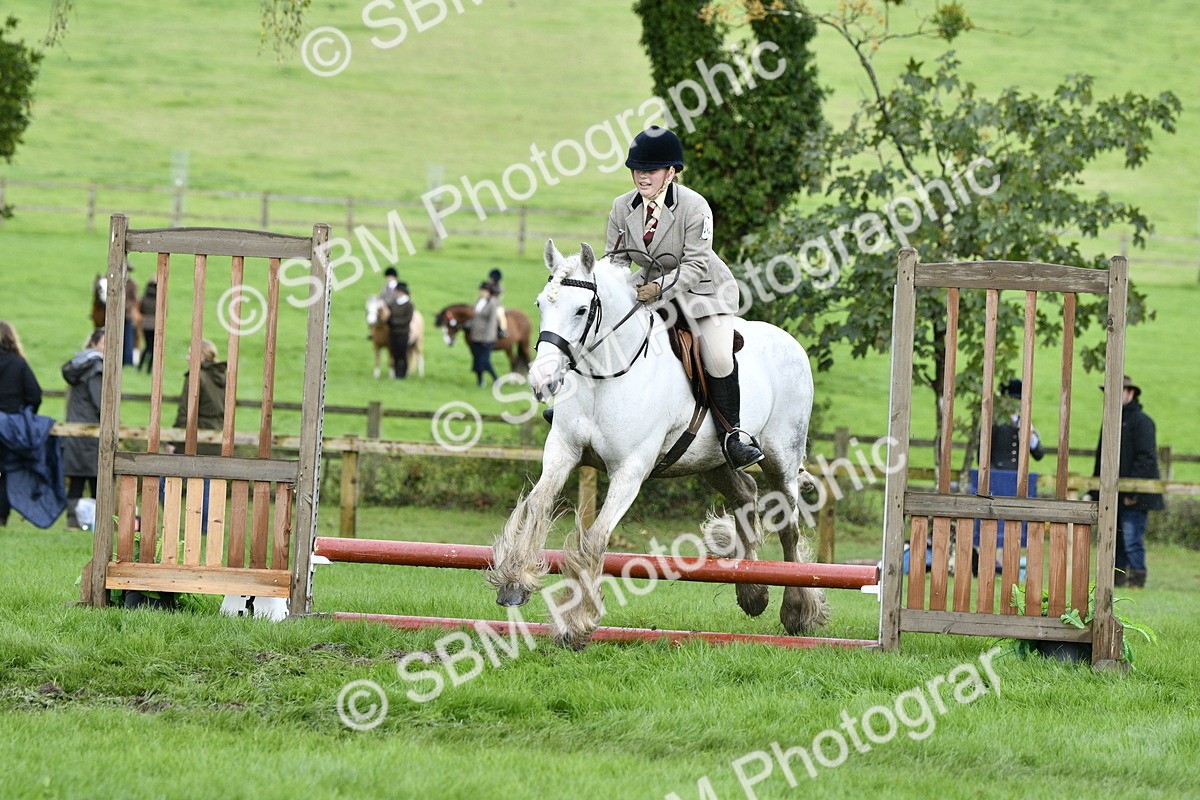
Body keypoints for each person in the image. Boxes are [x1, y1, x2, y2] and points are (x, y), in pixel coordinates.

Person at [605, 125, 761, 469]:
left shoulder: (694, 206)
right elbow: (615, 261)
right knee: (608, 332)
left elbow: (696, 262)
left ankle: (733, 436)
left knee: (718, 356)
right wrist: (614, 290)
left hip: (704, 292)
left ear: (671, 172)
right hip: (649, 290)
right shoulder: (621, 207)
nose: (643, 177)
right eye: (638, 170)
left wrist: (658, 288)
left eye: (652, 170)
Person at [1092, 375, 1163, 588]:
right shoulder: (1111, 421)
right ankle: (1118, 579)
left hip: (1134, 495)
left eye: (1117, 391)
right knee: (1116, 539)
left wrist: (1134, 492)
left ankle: (1137, 580)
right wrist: (1095, 490)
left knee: (1131, 539)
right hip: (1114, 493)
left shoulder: (1142, 422)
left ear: (1130, 392)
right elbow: (1101, 458)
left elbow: (1146, 459)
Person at [0, 322, 44, 527]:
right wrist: (26, 414)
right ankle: (1, 516)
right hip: (10, 426)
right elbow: (35, 394)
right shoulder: (18, 363)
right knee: (7, 470)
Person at [62, 329, 105, 530]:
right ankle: (99, 523)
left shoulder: (80, 362)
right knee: (97, 477)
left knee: (77, 477)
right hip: (93, 429)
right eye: (105, 342)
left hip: (76, 428)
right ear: (94, 343)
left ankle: (73, 522)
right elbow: (101, 402)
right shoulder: (97, 366)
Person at [990, 378, 1045, 470]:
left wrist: (1030, 434)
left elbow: (1038, 455)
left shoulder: (1024, 420)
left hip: (1019, 476)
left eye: (1018, 400)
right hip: (996, 475)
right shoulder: (994, 422)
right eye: (1012, 400)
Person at [468, 281, 499, 387]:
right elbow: (475, 317)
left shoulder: (492, 304)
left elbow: (492, 322)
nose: (482, 292)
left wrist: (487, 338)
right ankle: (480, 381)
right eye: (481, 290)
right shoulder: (478, 302)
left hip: (486, 338)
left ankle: (496, 379)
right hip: (476, 336)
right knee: (477, 360)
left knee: (485, 360)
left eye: (484, 291)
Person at [385, 282, 414, 379]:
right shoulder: (393, 303)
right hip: (393, 333)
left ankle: (403, 374)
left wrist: (393, 321)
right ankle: (396, 373)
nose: (397, 293)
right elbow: (388, 313)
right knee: (395, 354)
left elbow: (407, 320)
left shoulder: (409, 305)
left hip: (403, 333)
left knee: (403, 354)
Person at [138, 279, 158, 373]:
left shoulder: (144, 297)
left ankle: (140, 365)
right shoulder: (159, 298)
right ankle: (149, 369)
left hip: (145, 324)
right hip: (155, 325)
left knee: (146, 346)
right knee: (153, 347)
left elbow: (141, 309)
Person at [122, 266, 140, 367]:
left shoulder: (131, 284)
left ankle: (127, 360)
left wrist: (125, 306)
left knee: (128, 337)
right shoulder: (114, 280)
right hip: (116, 314)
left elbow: (134, 300)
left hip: (127, 315)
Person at [486, 268, 508, 339]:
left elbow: (499, 296)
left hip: (497, 305)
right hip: (487, 303)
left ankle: (503, 330)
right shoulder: (488, 285)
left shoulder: (499, 287)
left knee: (501, 316)